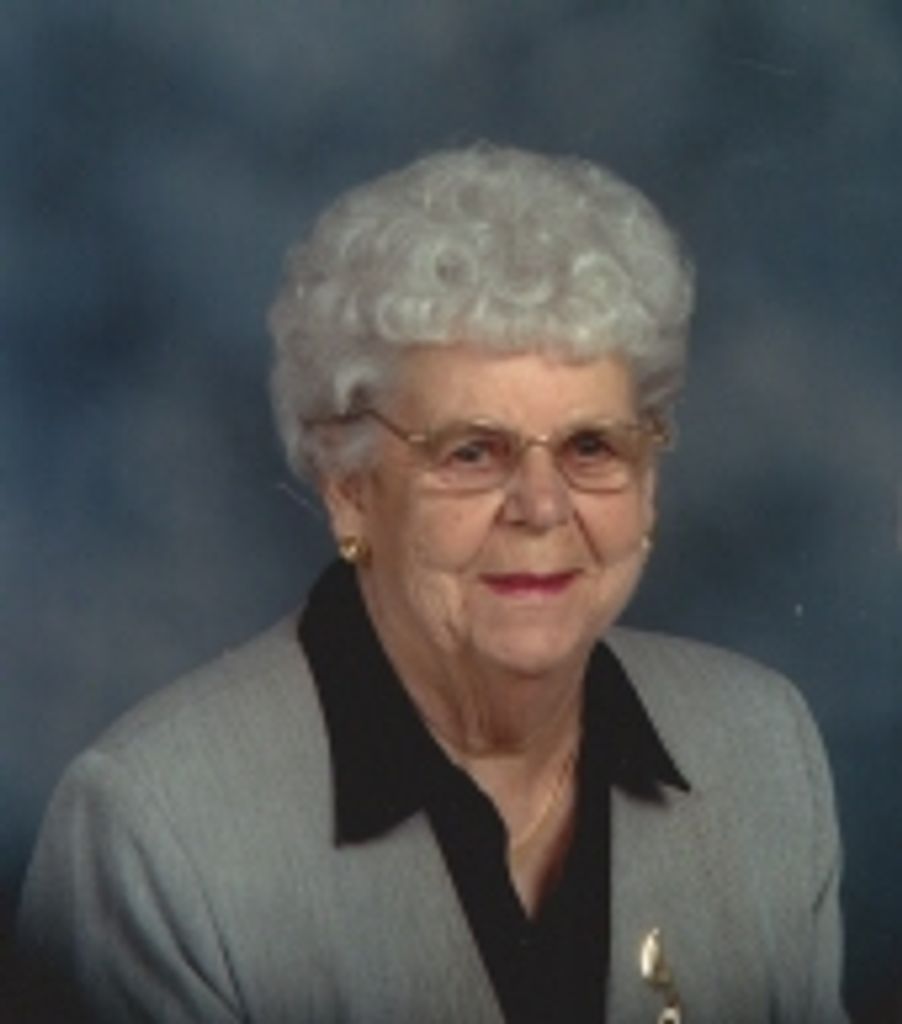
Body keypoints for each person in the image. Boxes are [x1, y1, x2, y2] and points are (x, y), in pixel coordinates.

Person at [17, 145, 847, 1022]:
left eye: (591, 447)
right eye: (473, 452)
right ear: (350, 488)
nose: (541, 507)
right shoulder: (156, 832)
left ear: (646, 481)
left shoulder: (761, 750)